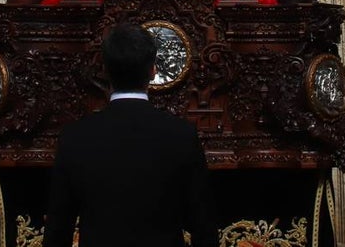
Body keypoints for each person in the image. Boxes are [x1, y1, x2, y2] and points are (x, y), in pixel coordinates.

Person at [44, 23, 216, 247]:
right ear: (153, 70)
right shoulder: (182, 135)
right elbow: (204, 227)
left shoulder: (74, 137)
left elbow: (58, 231)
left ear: (104, 70)